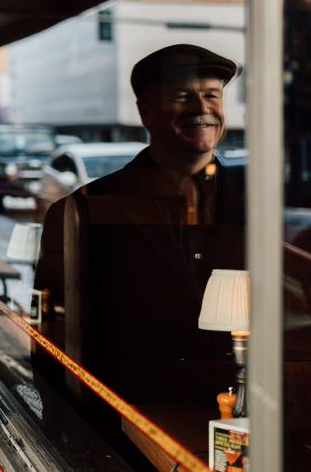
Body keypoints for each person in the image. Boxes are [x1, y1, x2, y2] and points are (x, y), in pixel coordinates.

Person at [34, 44, 246, 413]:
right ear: (145, 111)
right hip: (124, 425)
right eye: (183, 97)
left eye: (212, 95)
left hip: (239, 418)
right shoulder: (82, 212)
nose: (202, 108)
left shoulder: (259, 207)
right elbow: (53, 340)